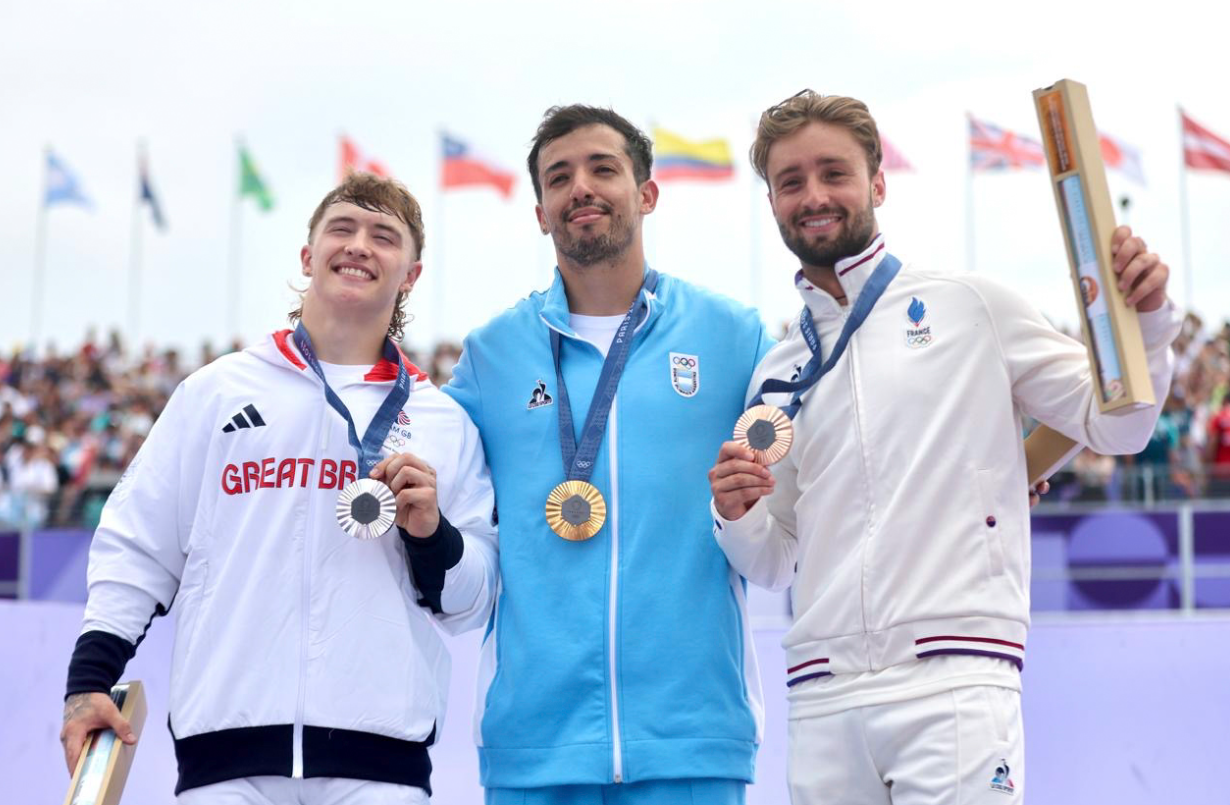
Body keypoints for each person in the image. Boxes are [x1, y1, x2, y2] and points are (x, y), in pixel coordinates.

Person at [708, 91, 1180, 805]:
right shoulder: (777, 369)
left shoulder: (970, 305)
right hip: (821, 693)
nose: (813, 195)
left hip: (955, 680)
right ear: (771, 200)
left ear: (878, 182)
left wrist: (1145, 324)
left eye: (833, 172)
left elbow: (1118, 423)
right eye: (791, 181)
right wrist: (736, 512)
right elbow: (774, 561)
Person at [59, 173, 498, 804]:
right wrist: (88, 683)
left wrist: (434, 537)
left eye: (384, 235)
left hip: (381, 766)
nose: (359, 245)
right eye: (341, 228)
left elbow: (472, 602)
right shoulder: (216, 393)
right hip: (225, 762)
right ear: (307, 255)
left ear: (412, 273)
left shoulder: (442, 421)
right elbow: (137, 547)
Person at [444, 105, 772, 805]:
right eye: (559, 177)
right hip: (535, 748)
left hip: (691, 742)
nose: (581, 187)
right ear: (540, 212)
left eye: (603, 168)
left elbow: (829, 441)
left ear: (646, 193)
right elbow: (409, 447)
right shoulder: (491, 355)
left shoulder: (731, 336)